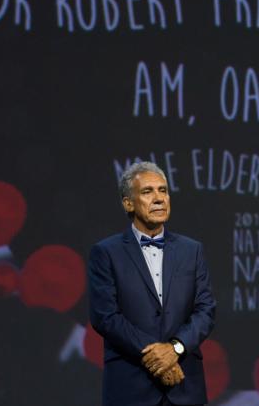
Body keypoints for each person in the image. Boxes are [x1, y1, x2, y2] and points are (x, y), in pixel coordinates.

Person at [89, 161, 216, 406]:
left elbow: (206, 310)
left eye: (163, 190)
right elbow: (105, 317)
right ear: (128, 203)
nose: (159, 198)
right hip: (131, 389)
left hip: (185, 388)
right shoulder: (106, 253)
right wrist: (159, 355)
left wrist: (175, 349)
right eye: (147, 192)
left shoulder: (192, 250)